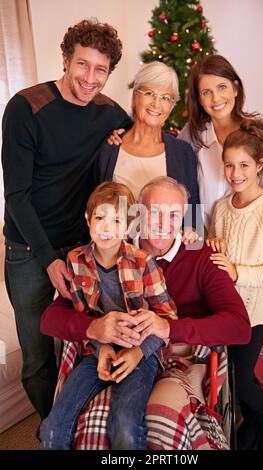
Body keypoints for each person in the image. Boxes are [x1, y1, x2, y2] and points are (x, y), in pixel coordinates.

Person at [41, 176, 251, 450]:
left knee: (156, 424)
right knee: (75, 424)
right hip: (110, 351)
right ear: (136, 214)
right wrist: (94, 330)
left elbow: (239, 326)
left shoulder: (202, 257)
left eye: (174, 215)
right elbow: (53, 317)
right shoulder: (112, 244)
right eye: (154, 213)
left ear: (185, 217)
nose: (164, 225)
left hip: (175, 358)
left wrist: (167, 328)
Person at [1, 18, 134, 420]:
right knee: (38, 357)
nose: (90, 78)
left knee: (82, 343)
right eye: (82, 65)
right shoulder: (26, 107)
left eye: (101, 70)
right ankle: (51, 428)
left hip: (83, 246)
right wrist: (48, 258)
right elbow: (16, 196)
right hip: (28, 250)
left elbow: (144, 134)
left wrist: (121, 139)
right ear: (65, 60)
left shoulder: (109, 112)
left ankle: (79, 428)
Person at [39, 181, 177, 450]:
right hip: (96, 352)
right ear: (88, 219)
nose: (107, 227)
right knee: (53, 430)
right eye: (100, 217)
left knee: (124, 427)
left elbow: (167, 318)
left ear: (128, 226)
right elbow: (84, 315)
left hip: (140, 351)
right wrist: (101, 349)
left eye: (117, 220)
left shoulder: (143, 262)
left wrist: (139, 352)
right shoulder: (76, 261)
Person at [206, 119, 263, 450]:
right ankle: (250, 432)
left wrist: (238, 272)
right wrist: (215, 247)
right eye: (229, 165)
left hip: (255, 311)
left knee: (243, 382)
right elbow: (220, 250)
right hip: (227, 310)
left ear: (259, 166)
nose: (235, 172)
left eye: (243, 165)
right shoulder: (221, 208)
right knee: (233, 376)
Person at [178, 54, 263, 232]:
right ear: (199, 99)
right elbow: (183, 189)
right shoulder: (191, 134)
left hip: (250, 240)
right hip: (205, 243)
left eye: (222, 87)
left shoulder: (261, 130)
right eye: (206, 92)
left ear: (235, 89)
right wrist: (193, 232)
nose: (216, 98)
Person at [93, 60, 200, 237]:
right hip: (118, 255)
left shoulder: (182, 152)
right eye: (149, 93)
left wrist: (193, 236)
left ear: (172, 106)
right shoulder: (110, 148)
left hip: (166, 258)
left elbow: (194, 210)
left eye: (165, 98)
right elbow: (95, 205)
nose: (156, 104)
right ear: (135, 96)